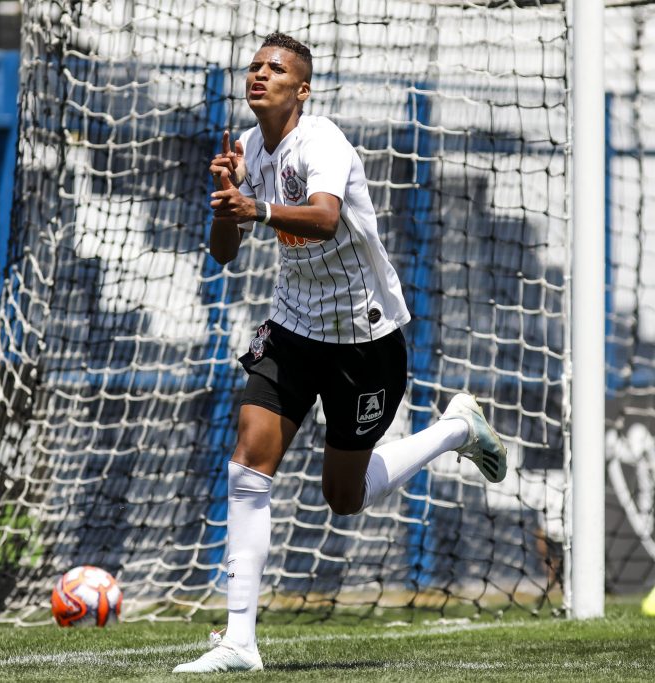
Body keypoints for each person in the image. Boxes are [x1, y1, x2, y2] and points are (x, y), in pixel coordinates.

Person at [173, 32, 508, 674]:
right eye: (254, 66)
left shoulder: (321, 140)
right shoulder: (245, 149)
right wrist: (225, 202)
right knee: (247, 465)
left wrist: (258, 207)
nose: (259, 74)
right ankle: (239, 641)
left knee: (344, 497)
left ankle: (457, 428)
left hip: (364, 340)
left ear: (301, 90)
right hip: (293, 328)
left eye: (276, 69)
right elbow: (221, 252)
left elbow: (324, 217)